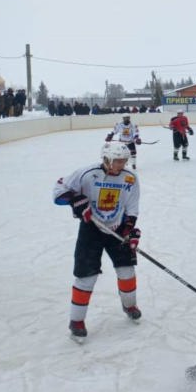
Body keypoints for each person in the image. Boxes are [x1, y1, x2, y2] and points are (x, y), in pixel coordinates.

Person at [52, 142, 142, 342]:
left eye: (123, 161)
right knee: (86, 276)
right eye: (117, 161)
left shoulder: (130, 178)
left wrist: (130, 229)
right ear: (106, 159)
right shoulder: (86, 173)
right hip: (91, 230)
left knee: (127, 271)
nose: (121, 165)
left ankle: (129, 305)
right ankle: (76, 321)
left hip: (117, 229)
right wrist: (75, 199)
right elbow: (58, 192)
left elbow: (132, 207)